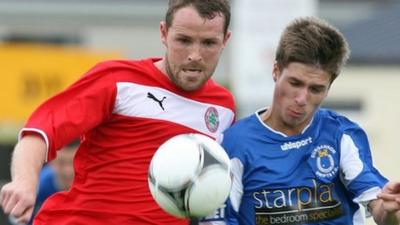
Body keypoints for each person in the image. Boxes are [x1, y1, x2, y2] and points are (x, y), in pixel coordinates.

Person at [0, 1, 235, 225]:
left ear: (225, 40)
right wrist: (24, 183)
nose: (195, 54)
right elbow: (39, 131)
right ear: (163, 33)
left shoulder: (223, 108)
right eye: (183, 40)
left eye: (208, 43)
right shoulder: (119, 81)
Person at [202, 17, 400, 225]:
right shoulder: (235, 144)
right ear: (276, 71)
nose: (301, 99)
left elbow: (380, 211)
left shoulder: (340, 133)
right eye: (295, 83)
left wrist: (390, 210)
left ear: (328, 88)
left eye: (315, 89)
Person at [9, 141, 78, 225]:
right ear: (51, 161)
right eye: (61, 163)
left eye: (73, 162)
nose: (68, 171)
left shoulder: (94, 186)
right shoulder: (35, 187)